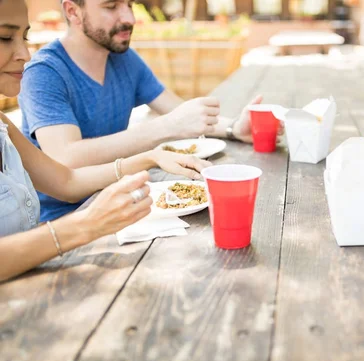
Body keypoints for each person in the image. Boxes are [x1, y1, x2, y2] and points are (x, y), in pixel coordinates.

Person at [0, 0, 211, 282]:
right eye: (4, 37)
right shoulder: (46, 70)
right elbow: (67, 163)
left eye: (24, 37)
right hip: (62, 239)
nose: (25, 53)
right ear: (72, 11)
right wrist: (85, 225)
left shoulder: (3, 124)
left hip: (47, 261)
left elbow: (67, 182)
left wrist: (151, 157)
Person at [19, 0, 272, 221]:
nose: (129, 18)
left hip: (119, 200)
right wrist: (165, 127)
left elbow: (178, 112)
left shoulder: (124, 59)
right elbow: (66, 158)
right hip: (64, 221)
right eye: (111, 6)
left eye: (129, 4)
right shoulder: (43, 73)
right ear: (73, 12)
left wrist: (232, 128)